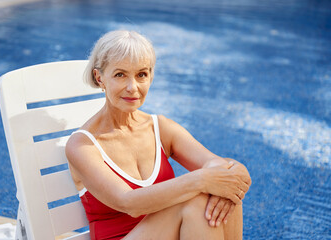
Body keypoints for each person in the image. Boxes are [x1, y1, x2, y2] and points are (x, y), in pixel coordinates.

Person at [66, 30, 252, 240]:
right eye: (120, 75)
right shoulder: (82, 146)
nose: (132, 87)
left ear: (151, 77)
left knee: (225, 195)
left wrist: (236, 173)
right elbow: (129, 203)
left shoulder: (160, 128)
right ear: (99, 78)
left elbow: (217, 165)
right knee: (199, 200)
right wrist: (202, 180)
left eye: (141, 75)